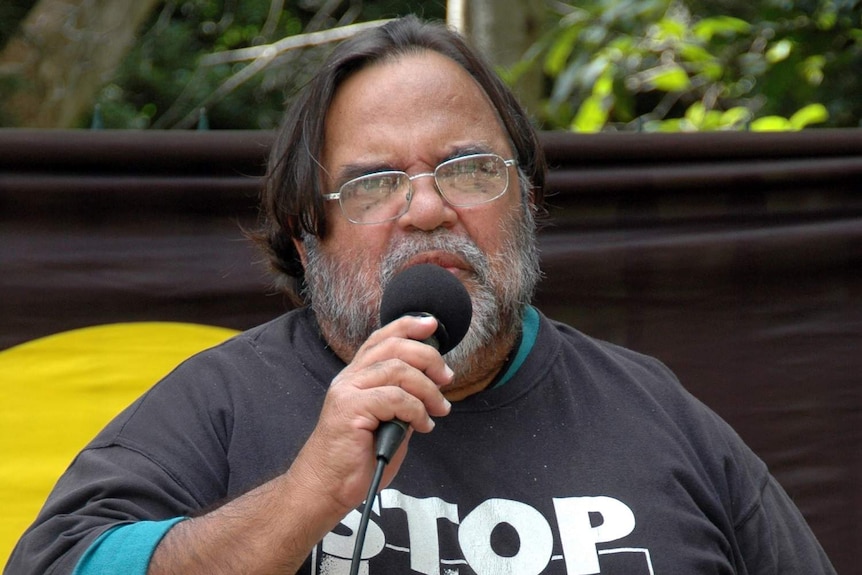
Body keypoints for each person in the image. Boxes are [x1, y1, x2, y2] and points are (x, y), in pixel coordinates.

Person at [5, 15, 835, 575]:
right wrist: (303, 498)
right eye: (372, 183)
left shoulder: (659, 412)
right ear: (306, 235)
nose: (429, 207)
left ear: (528, 201)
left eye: (470, 169)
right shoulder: (220, 401)